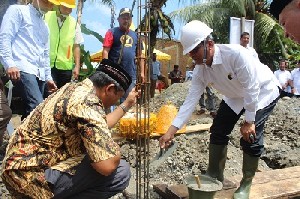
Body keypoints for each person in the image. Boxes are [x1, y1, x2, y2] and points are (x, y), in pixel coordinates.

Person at [159, 20, 280, 198]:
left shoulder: (236, 54)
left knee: (251, 137)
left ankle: (246, 184)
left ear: (209, 44)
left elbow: (252, 89)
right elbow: (190, 102)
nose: (192, 56)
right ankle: (215, 174)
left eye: (194, 51)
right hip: (235, 96)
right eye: (189, 52)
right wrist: (171, 130)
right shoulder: (201, 71)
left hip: (262, 92)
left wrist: (249, 121)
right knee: (218, 130)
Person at [1, 59, 138, 198]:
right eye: (118, 98)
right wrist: (114, 148)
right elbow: (106, 165)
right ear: (109, 89)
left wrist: (127, 104)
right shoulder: (88, 104)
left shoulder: (74, 88)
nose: (116, 103)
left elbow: (100, 124)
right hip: (31, 178)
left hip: (16, 169)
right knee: (120, 171)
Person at [0, 0, 58, 120]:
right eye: (47, 2)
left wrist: (48, 78)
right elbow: (5, 37)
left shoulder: (44, 26)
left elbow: (45, 53)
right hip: (22, 68)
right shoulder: (17, 11)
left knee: (30, 113)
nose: (50, 5)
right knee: (37, 107)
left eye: (52, 3)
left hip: (39, 73)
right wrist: (9, 64)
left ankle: (21, 138)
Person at [102, 7, 144, 102]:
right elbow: (105, 51)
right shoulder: (111, 32)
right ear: (118, 19)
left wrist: (142, 72)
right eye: (124, 18)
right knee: (111, 100)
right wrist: (106, 70)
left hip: (130, 75)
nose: (126, 20)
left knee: (128, 101)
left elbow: (141, 55)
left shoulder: (136, 35)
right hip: (114, 73)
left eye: (128, 18)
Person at [44, 0, 83, 89]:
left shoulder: (74, 23)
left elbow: (76, 46)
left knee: (61, 96)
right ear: (59, 5)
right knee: (48, 94)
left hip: (65, 68)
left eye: (70, 8)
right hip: (47, 64)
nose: (68, 10)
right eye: (66, 7)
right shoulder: (46, 16)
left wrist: (77, 66)